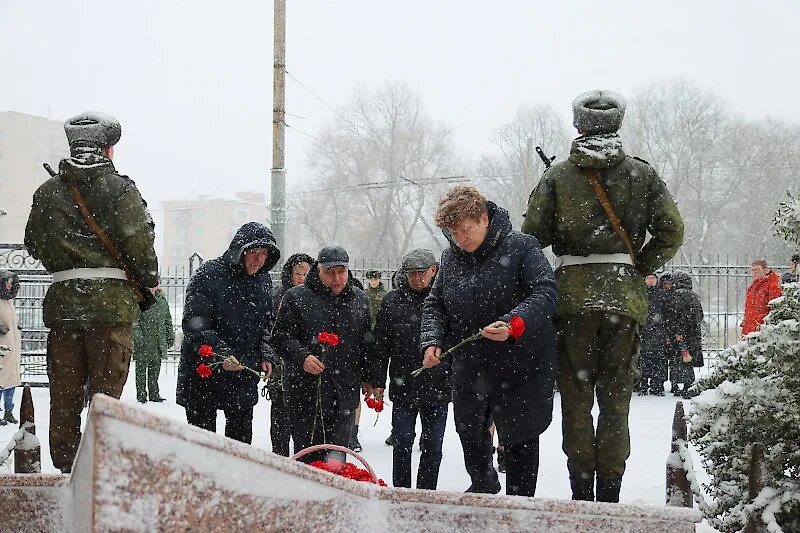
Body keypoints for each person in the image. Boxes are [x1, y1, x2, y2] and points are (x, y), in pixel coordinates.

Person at [522, 90, 684, 502]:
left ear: (578, 126)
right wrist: (636, 268)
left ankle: (581, 488)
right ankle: (610, 489)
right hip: (623, 302)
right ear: (618, 124)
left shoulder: (558, 176)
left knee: (576, 398)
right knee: (616, 399)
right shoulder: (642, 175)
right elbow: (671, 230)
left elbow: (532, 236)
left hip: (571, 301)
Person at [24, 111, 159, 474]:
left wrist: (67, 261)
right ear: (109, 149)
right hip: (111, 310)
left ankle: (67, 468)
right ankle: (99, 471)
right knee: (106, 399)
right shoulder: (121, 190)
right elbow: (140, 247)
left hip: (64, 309)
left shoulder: (48, 192)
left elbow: (33, 244)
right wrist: (145, 275)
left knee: (64, 398)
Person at [421, 186, 558, 497]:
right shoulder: (451, 258)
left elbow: (545, 293)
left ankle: (520, 504)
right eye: (452, 233)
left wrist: (514, 323)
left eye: (465, 230)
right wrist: (432, 339)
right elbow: (436, 304)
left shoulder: (521, 248)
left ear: (483, 219)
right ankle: (483, 485)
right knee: (470, 432)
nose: (459, 239)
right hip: (471, 364)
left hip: (520, 363)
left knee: (519, 436)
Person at [176, 222, 279, 444]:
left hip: (241, 374)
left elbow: (265, 323)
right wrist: (220, 355)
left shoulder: (263, 281)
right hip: (203, 375)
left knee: (239, 448)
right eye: (253, 252)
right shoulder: (209, 274)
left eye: (264, 254)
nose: (258, 260)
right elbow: (195, 324)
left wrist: (265, 354)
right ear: (240, 251)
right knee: (203, 448)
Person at [272, 246, 373, 463]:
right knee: (308, 458)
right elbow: (280, 336)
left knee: (337, 460)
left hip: (343, 393)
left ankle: (334, 498)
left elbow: (366, 343)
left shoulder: (359, 300)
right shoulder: (296, 297)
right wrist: (302, 357)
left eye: (341, 272)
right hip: (306, 392)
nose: (337, 278)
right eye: (330, 272)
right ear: (318, 270)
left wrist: (368, 377)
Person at [372, 248, 450, 489]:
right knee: (402, 443)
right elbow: (380, 344)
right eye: (412, 273)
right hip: (403, 385)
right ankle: (401, 492)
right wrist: (377, 381)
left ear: (434, 271)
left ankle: (426, 493)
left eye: (422, 273)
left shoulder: (445, 298)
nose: (417, 278)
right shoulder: (392, 301)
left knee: (433, 445)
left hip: (438, 386)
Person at [268, 253, 313, 456]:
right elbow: (272, 331)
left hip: (305, 366)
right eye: (298, 273)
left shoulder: (313, 297)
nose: (302, 278)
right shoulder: (279, 296)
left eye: (306, 273)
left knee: (303, 423)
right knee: (280, 420)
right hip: (281, 367)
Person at [663, 271, 704, 398]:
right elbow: (699, 315)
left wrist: (678, 332)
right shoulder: (694, 296)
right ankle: (688, 385)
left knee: (677, 360)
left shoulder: (677, 296)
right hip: (693, 334)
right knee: (688, 360)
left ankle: (677, 386)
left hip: (680, 334)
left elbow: (677, 316)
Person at [132, 283, 174, 403]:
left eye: (156, 284)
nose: (153, 287)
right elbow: (135, 322)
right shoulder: (140, 299)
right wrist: (139, 339)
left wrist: (169, 336)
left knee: (155, 369)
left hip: (158, 342)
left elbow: (167, 320)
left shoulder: (162, 300)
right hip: (144, 343)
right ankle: (141, 395)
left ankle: (154, 393)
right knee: (141, 371)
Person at [638, 274, 669, 396]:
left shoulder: (661, 295)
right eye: (648, 278)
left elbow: (667, 313)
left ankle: (658, 385)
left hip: (658, 332)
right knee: (644, 359)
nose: (651, 281)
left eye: (653, 279)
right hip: (644, 332)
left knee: (659, 360)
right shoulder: (641, 293)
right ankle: (643, 384)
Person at [0, 270, 21, 425]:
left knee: (11, 381)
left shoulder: (9, 303)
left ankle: (8, 411)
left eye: (11, 282)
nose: (9, 285)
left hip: (12, 347)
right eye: (6, 282)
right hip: (2, 348)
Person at [741, 259, 782, 336]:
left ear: (766, 270)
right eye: (753, 270)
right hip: (751, 327)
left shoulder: (773, 285)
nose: (754, 272)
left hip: (762, 328)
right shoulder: (752, 287)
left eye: (757, 269)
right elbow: (748, 309)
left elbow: (774, 308)